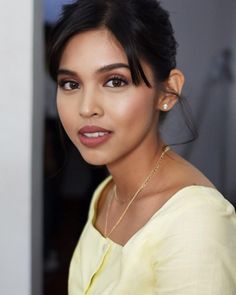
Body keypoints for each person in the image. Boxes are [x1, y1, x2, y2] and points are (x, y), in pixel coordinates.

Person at [48, 0, 236, 294]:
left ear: (168, 91)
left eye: (114, 81)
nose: (86, 108)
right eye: (71, 84)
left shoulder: (196, 221)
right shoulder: (108, 192)